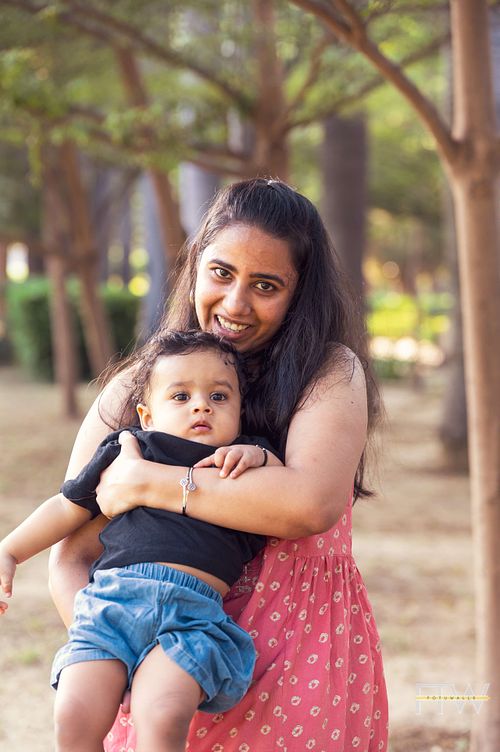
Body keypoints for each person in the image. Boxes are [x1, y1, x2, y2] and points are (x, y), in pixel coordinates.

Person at [49, 178, 389, 752]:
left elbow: (309, 505)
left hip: (298, 658)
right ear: (195, 267)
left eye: (265, 285)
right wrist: (112, 650)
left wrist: (148, 481)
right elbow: (71, 555)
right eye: (221, 273)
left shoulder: (330, 372)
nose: (235, 304)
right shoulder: (137, 387)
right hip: (155, 671)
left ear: (299, 293)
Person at [0, 330, 282, 752]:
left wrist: (259, 457)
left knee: (163, 714)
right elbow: (67, 506)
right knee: (74, 712)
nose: (202, 405)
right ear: (147, 416)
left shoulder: (241, 460)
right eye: (181, 396)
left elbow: (286, 495)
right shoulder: (130, 449)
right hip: (113, 603)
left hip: (192, 616)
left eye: (219, 396)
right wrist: (10, 550)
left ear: (240, 411)